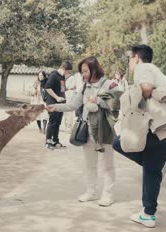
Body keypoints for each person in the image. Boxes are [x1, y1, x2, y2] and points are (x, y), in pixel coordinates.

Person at [112, 44, 166, 228]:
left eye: (129, 58)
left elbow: (146, 88)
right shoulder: (159, 72)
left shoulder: (144, 68)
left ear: (136, 57)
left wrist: (131, 104)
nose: (129, 62)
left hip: (161, 128)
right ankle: (148, 214)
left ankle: (149, 211)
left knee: (119, 143)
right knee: (151, 170)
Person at [46, 56, 117, 206]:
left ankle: (107, 195)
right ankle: (91, 192)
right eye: (82, 72)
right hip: (88, 130)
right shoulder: (84, 87)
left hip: (105, 131)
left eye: (85, 71)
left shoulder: (109, 84)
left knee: (107, 166)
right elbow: (72, 105)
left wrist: (97, 101)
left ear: (94, 69)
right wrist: (55, 107)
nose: (83, 74)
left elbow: (115, 104)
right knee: (90, 165)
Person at [44, 61, 73, 149]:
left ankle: (55, 141)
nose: (69, 73)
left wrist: (68, 89)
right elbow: (47, 88)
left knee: (58, 123)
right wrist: (57, 97)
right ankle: (48, 141)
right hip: (53, 102)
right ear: (64, 68)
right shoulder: (54, 75)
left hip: (61, 104)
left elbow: (61, 88)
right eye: (68, 71)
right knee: (52, 122)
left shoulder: (62, 76)